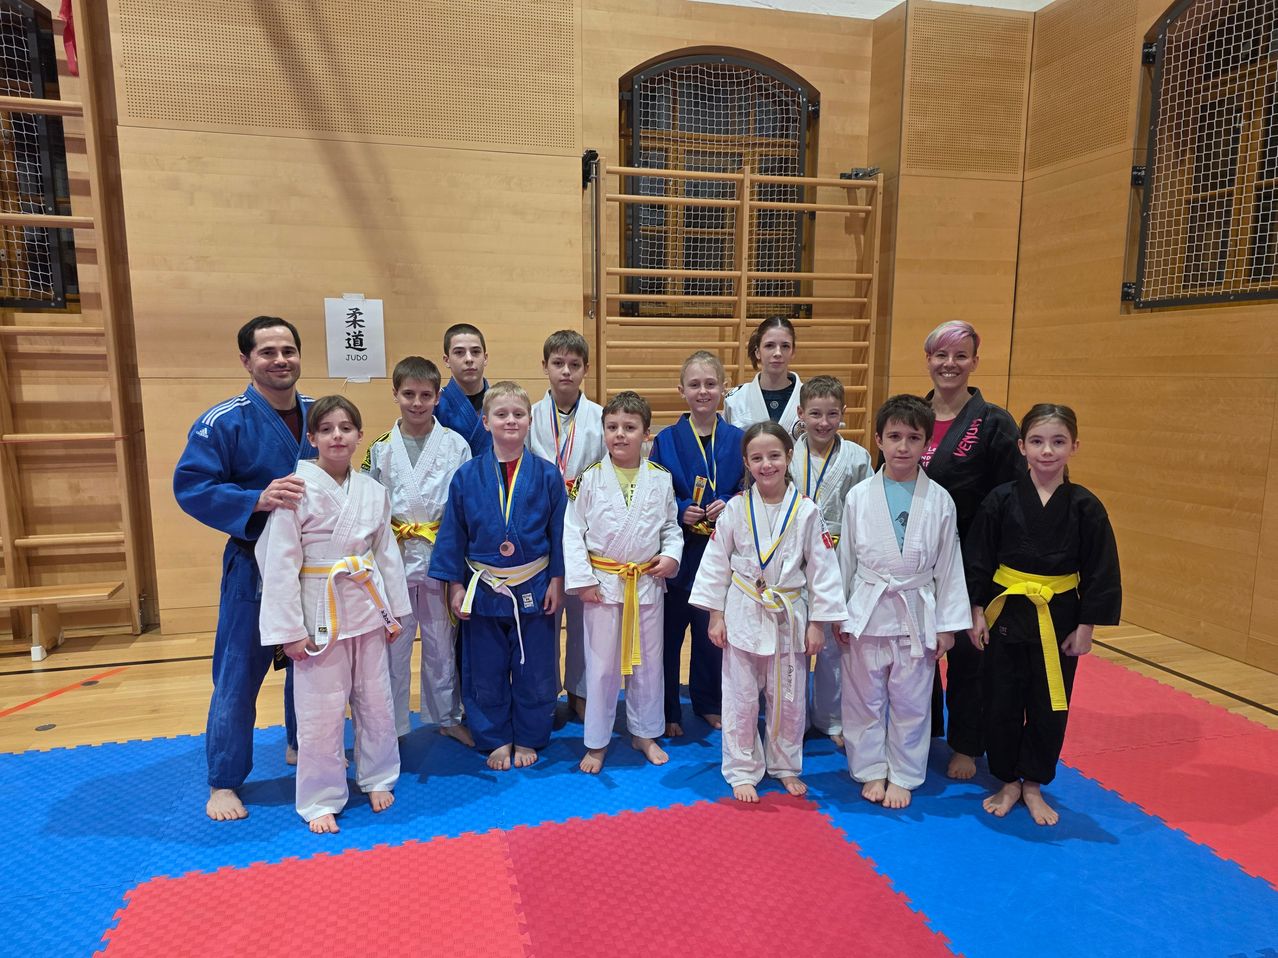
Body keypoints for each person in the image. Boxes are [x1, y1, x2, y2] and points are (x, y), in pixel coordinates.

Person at [173, 315, 313, 822]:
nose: (280, 360)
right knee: (237, 672)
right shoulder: (223, 421)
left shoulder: (320, 413)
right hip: (252, 564)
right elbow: (192, 486)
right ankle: (224, 780)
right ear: (246, 360)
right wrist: (256, 499)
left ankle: (303, 744)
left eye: (288, 350)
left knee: (312, 664)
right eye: (267, 352)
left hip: (313, 565)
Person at [257, 396, 410, 834]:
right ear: (312, 438)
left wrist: (395, 613)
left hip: (367, 606)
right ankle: (320, 797)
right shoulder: (295, 489)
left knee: (376, 700)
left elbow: (386, 555)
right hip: (318, 612)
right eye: (326, 429)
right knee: (320, 711)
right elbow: (279, 562)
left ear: (360, 436)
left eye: (345, 428)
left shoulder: (373, 491)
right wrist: (289, 630)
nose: (337, 436)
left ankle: (377, 776)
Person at [965, 403, 1121, 826]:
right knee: (1001, 699)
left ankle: (1033, 782)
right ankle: (1007, 780)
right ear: (1022, 447)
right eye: (1037, 441)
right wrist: (976, 610)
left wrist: (1087, 626)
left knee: (1050, 702)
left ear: (1074, 446)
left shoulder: (1086, 506)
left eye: (1057, 442)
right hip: (1005, 611)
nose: (1047, 451)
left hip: (1059, 616)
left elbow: (1101, 569)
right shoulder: (1000, 499)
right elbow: (979, 558)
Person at [690, 421, 844, 803]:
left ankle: (785, 765)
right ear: (746, 462)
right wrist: (715, 616)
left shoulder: (806, 510)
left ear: (789, 456)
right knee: (740, 698)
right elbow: (715, 564)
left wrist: (817, 625)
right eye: (757, 458)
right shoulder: (735, 509)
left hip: (788, 614)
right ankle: (742, 769)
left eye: (774, 455)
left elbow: (823, 570)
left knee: (789, 697)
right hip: (743, 611)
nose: (766, 464)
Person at [836, 395, 970, 810]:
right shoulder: (859, 495)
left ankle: (905, 774)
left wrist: (948, 625)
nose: (903, 446)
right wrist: (839, 614)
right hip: (867, 610)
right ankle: (870, 768)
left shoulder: (940, 500)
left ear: (926, 443)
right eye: (894, 436)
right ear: (878, 439)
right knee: (863, 698)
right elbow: (845, 560)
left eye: (914, 438)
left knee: (912, 701)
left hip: (917, 611)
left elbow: (949, 565)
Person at [429, 381, 567, 771]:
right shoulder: (466, 476)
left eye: (518, 414)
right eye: (501, 414)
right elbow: (454, 534)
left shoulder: (548, 475)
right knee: (484, 667)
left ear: (530, 421)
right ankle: (494, 737)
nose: (510, 420)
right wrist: (456, 585)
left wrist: (557, 580)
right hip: (483, 588)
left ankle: (529, 735)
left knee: (535, 665)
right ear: (485, 421)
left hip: (534, 584)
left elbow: (559, 532)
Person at [918, 320, 1025, 781]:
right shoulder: (912, 415)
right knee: (917, 650)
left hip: (971, 556)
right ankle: (921, 732)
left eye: (960, 355)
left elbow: (1011, 497)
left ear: (975, 362)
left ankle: (966, 742)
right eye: (941, 355)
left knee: (967, 653)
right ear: (928, 360)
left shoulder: (995, 422)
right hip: (916, 555)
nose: (950, 364)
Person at [565, 391, 682, 773]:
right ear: (603, 431)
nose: (620, 434)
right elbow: (573, 532)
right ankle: (597, 741)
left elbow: (671, 527)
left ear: (646, 434)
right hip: (603, 585)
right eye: (612, 427)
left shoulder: (660, 478)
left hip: (646, 583)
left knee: (648, 664)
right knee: (601, 668)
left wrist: (671, 555)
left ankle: (644, 733)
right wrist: (582, 580)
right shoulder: (589, 478)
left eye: (629, 427)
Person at [362, 356, 473, 746]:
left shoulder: (456, 445)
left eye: (426, 395)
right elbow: (368, 504)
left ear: (438, 397)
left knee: (442, 643)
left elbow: (464, 505)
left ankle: (447, 716)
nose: (417, 402)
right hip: (393, 556)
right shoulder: (380, 448)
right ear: (394, 394)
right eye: (408, 394)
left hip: (441, 556)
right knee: (394, 643)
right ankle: (391, 724)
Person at [649, 350, 745, 735]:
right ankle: (668, 709)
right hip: (678, 554)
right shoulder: (666, 440)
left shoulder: (738, 439)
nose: (703, 391)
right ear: (681, 391)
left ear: (724, 388)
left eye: (710, 384)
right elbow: (655, 491)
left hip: (719, 556)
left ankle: (708, 703)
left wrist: (732, 503)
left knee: (710, 638)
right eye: (694, 385)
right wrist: (679, 508)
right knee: (668, 638)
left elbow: (749, 490)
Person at [789, 376, 872, 747]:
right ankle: (792, 717)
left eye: (832, 414)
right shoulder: (786, 452)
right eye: (815, 414)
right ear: (800, 413)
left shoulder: (858, 457)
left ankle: (831, 719)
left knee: (833, 642)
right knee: (793, 637)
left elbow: (864, 511)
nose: (823, 422)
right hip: (793, 555)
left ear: (844, 414)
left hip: (839, 554)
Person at [527, 330, 605, 718]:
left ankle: (581, 691)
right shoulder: (529, 416)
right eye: (558, 363)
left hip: (587, 529)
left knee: (584, 616)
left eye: (574, 365)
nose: (566, 372)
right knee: (546, 615)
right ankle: (545, 694)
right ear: (545, 366)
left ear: (586, 369)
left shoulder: (601, 417)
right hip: (540, 527)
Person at [723, 315, 803, 434]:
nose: (778, 353)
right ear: (757, 352)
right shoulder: (736, 400)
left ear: (793, 352)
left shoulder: (808, 397)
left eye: (785, 346)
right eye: (769, 345)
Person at [435, 323, 492, 457]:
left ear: (485, 358)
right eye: (459, 352)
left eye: (476, 352)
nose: (469, 359)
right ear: (447, 360)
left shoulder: (501, 402)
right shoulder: (435, 405)